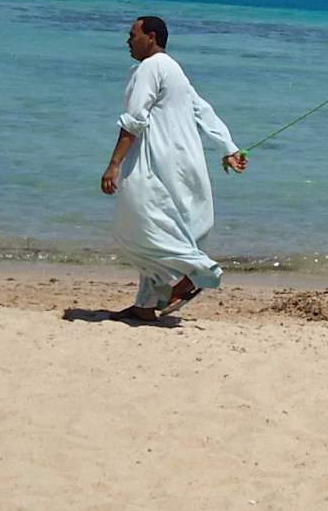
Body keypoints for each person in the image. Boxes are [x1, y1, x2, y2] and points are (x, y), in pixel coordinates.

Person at [99, 16, 247, 321]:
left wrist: (114, 164)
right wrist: (228, 148)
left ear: (151, 37)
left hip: (158, 162)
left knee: (138, 227)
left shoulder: (151, 67)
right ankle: (145, 305)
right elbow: (203, 110)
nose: (128, 41)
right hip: (185, 163)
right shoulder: (173, 68)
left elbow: (134, 119)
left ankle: (191, 275)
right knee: (160, 225)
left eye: (133, 35)